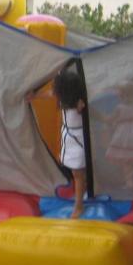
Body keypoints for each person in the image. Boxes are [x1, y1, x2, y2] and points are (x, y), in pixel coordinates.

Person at [103, 81, 133, 195]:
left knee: (126, 161)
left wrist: (106, 119)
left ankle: (129, 182)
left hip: (125, 138)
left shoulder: (119, 108)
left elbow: (110, 119)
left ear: (120, 96)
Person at [55, 59, 89, 219]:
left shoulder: (79, 103)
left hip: (78, 139)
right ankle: (82, 191)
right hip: (68, 138)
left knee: (78, 173)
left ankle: (79, 206)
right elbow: (51, 94)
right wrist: (35, 95)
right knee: (75, 171)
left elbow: (88, 108)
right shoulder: (63, 100)